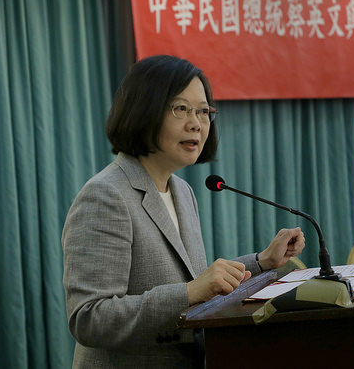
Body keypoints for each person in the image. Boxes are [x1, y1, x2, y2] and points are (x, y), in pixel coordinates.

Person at [62, 55, 305, 368]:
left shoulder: (182, 191)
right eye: (181, 108)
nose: (196, 123)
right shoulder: (105, 195)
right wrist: (189, 293)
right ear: (144, 110)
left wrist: (262, 262)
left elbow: (193, 281)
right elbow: (89, 318)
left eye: (203, 111)